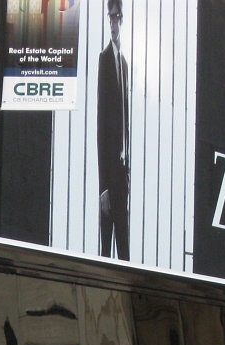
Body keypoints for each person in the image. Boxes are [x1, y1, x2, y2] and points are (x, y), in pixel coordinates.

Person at [97, 0, 129, 260]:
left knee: (125, 247)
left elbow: (123, 122)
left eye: (116, 17)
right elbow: (102, 126)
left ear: (122, 19)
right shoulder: (104, 60)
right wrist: (103, 186)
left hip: (122, 173)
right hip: (109, 176)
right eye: (109, 18)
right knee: (106, 249)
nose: (113, 23)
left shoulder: (125, 66)